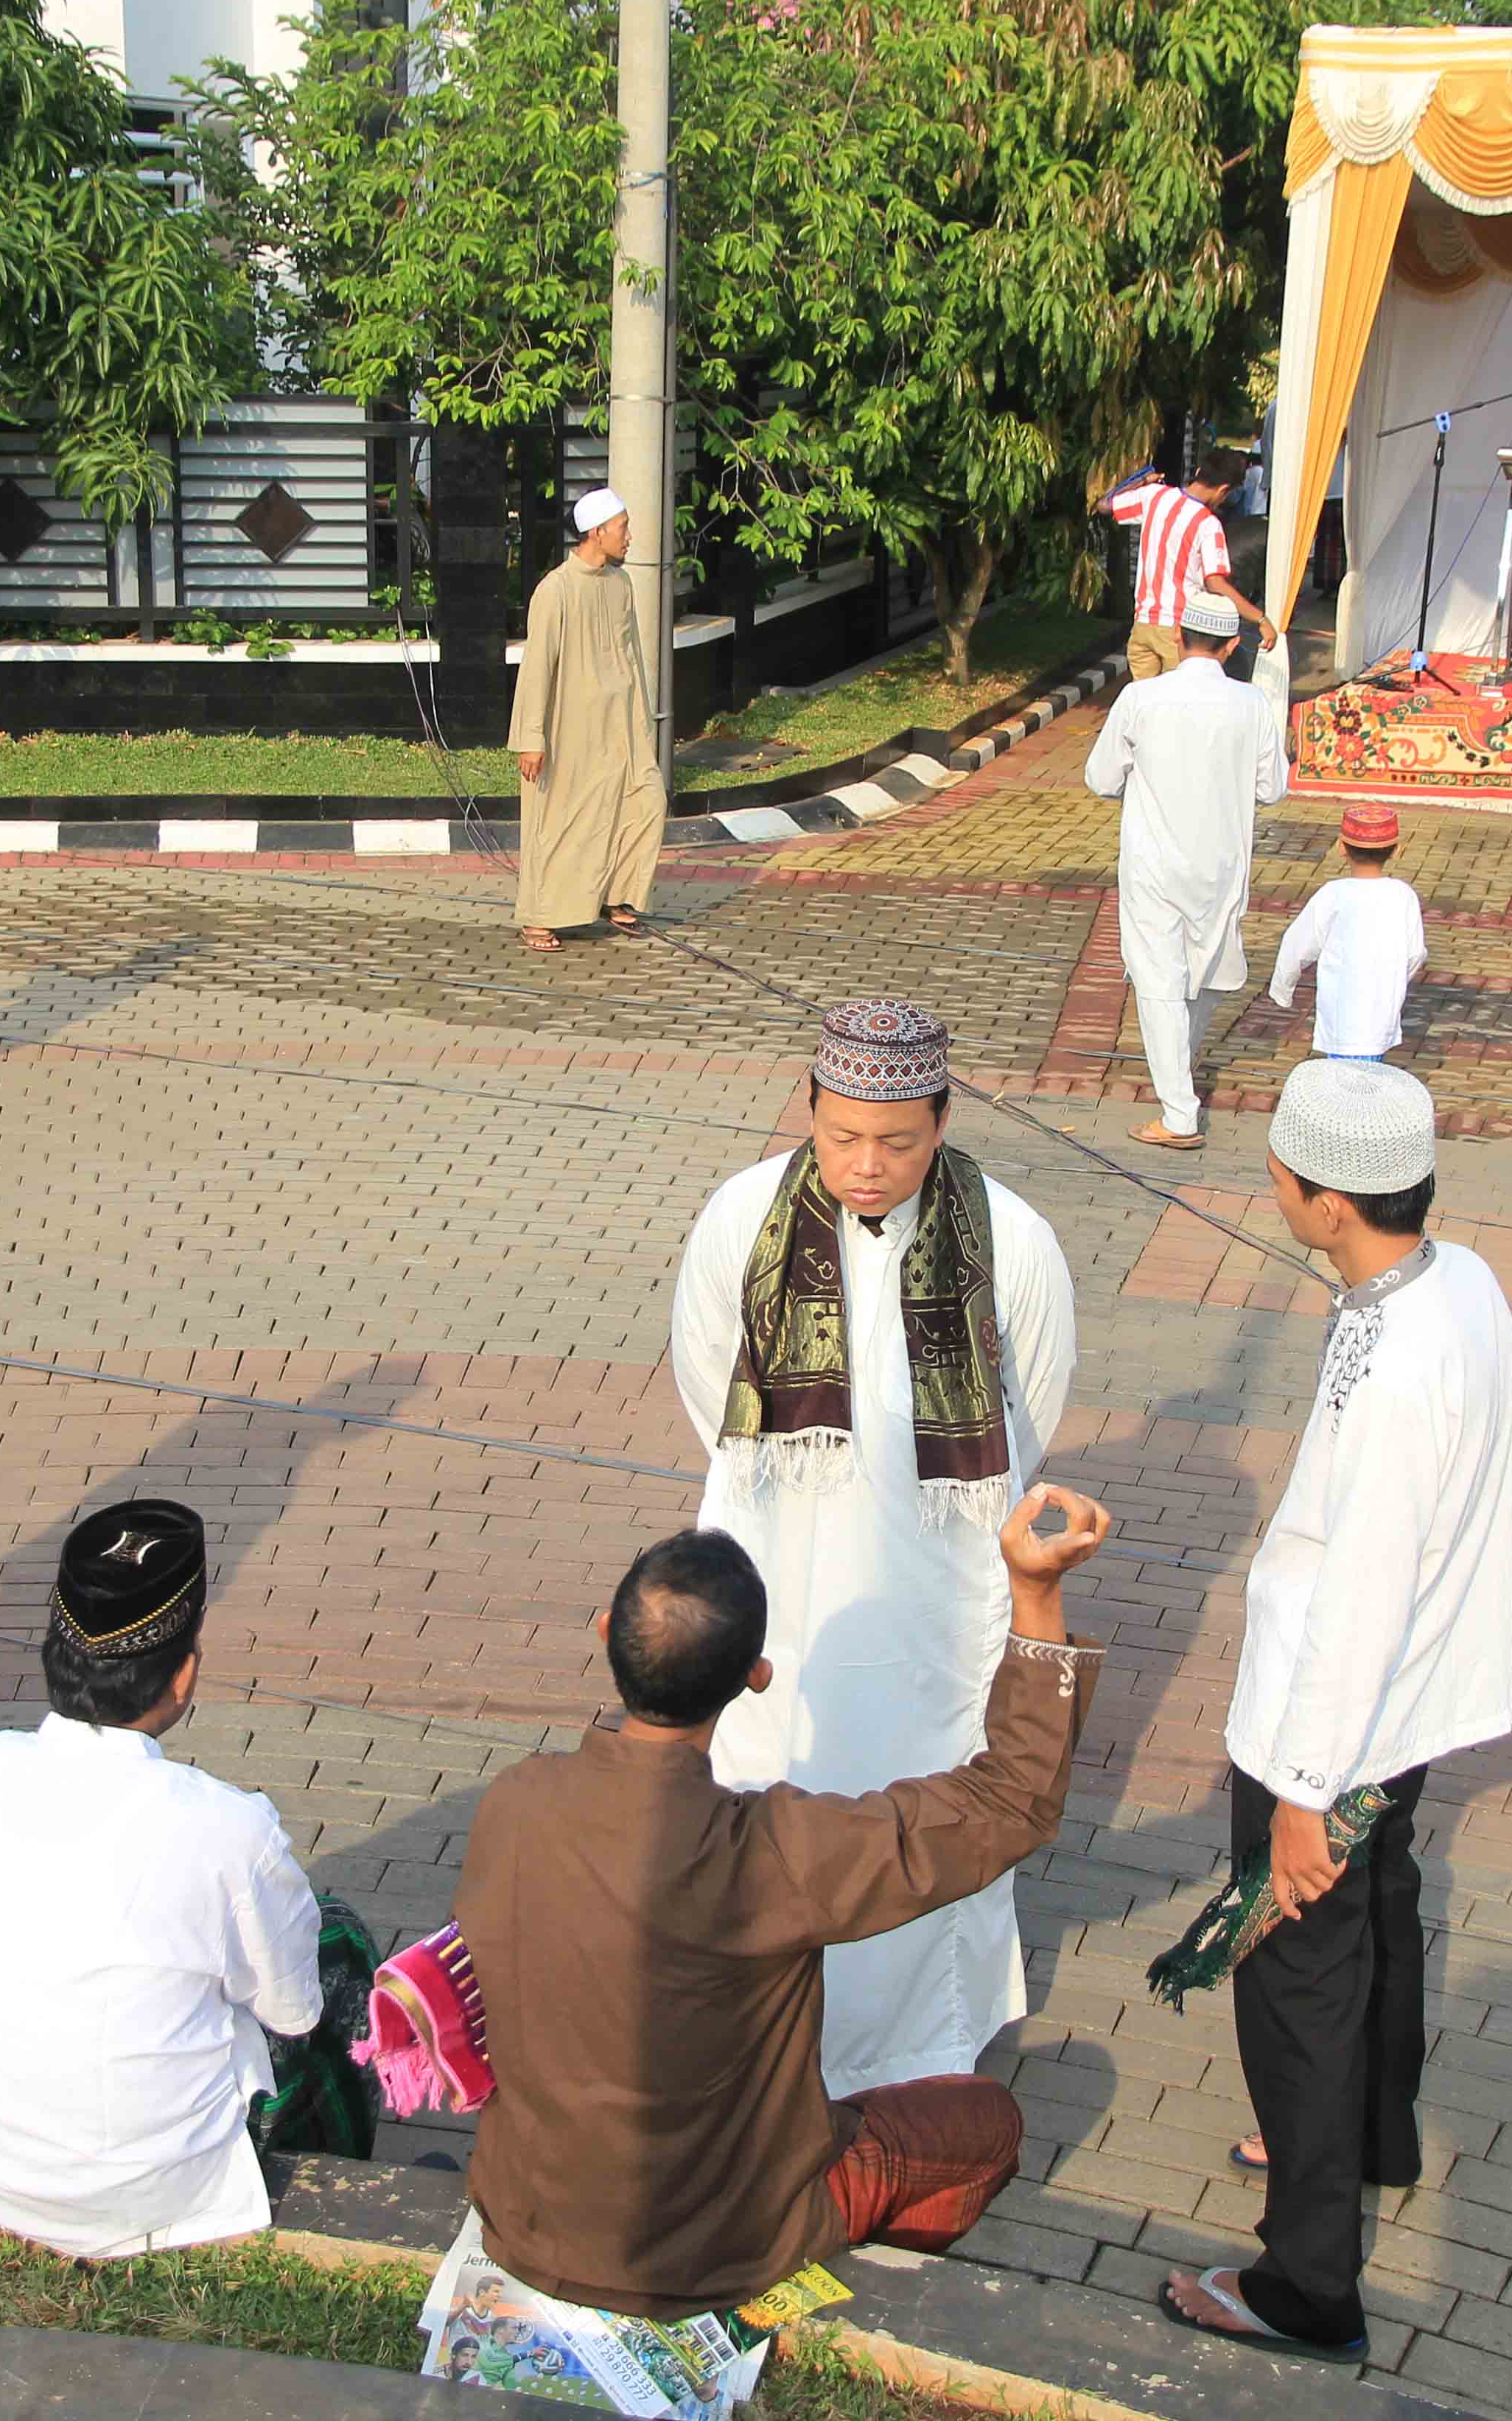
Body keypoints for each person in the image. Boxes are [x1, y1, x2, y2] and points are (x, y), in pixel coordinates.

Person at [454, 1498, 1113, 2317]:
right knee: (986, 2121)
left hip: (525, 2217)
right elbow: (1013, 1801)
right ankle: (844, 2289)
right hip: (721, 2250)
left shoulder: (514, 1801)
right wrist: (1035, 1592)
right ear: (756, 1677)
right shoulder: (771, 1851)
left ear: (605, 1633)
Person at [1160, 1061, 1512, 2367]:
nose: (1272, 1190)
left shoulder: (1400, 1364)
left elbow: (1362, 1583)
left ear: (1325, 1203)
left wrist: (1303, 1792)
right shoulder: (1456, 1280)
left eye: (1279, 1175)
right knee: (1382, 1915)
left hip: (1334, 1720)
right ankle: (1373, 2137)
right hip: (1406, 1706)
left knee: (1296, 1979)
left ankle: (1307, 2283)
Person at [666, 1000, 1078, 2097]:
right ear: (809, 1107)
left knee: (928, 1799)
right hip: (775, 1571)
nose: (865, 1164)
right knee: (768, 1785)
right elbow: (707, 1382)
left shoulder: (1012, 1239)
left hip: (934, 1594)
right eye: (842, 1134)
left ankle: (917, 2058)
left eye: (896, 1141)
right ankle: (767, 2050)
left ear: (941, 1122)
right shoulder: (741, 1216)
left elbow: (1029, 1414)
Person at [0, 1499, 349, 2259]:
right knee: (341, 1951)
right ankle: (336, 2177)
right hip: (163, 2197)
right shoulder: (232, 1827)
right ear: (184, 1675)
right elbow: (293, 2011)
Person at [1086, 597, 1289, 1150]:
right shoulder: (1252, 703)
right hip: (1221, 863)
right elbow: (1273, 788)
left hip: (1153, 863)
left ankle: (1178, 1111)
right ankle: (1180, 1075)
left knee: (1159, 979)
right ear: (1232, 646)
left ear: (1178, 637)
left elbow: (1101, 778)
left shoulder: (1141, 697)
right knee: (1207, 970)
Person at [511, 486, 668, 954]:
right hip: (570, 728)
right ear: (597, 532)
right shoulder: (555, 590)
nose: (630, 537)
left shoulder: (621, 585)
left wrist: (641, 723)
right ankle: (540, 916)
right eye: (623, 528)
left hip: (621, 725)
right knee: (563, 823)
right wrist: (531, 738)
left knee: (647, 801)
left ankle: (615, 896)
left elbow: (632, 659)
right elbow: (536, 667)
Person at [1268, 803, 1425, 1062]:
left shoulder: (1333, 894)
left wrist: (1282, 989)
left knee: (1345, 1078)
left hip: (1340, 1013)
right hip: (1382, 1012)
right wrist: (1396, 980)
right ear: (1397, 850)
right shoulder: (1403, 895)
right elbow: (1416, 953)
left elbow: (1296, 946)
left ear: (1342, 848)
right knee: (1369, 1073)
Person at [1105, 447, 1277, 684]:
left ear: (1198, 472)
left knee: (1145, 699)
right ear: (1224, 490)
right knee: (1178, 701)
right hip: (1179, 631)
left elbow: (1106, 504)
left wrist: (1142, 481)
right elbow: (1215, 583)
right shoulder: (1208, 524)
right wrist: (1260, 619)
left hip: (1143, 626)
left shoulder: (1154, 496)